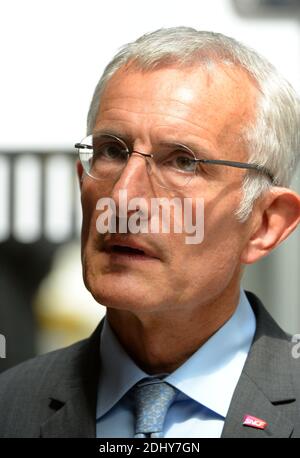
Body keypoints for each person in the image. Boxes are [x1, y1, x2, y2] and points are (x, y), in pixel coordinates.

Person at [0, 27, 300, 438]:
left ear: (265, 224)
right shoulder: (9, 407)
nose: (123, 199)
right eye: (111, 151)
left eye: (183, 162)